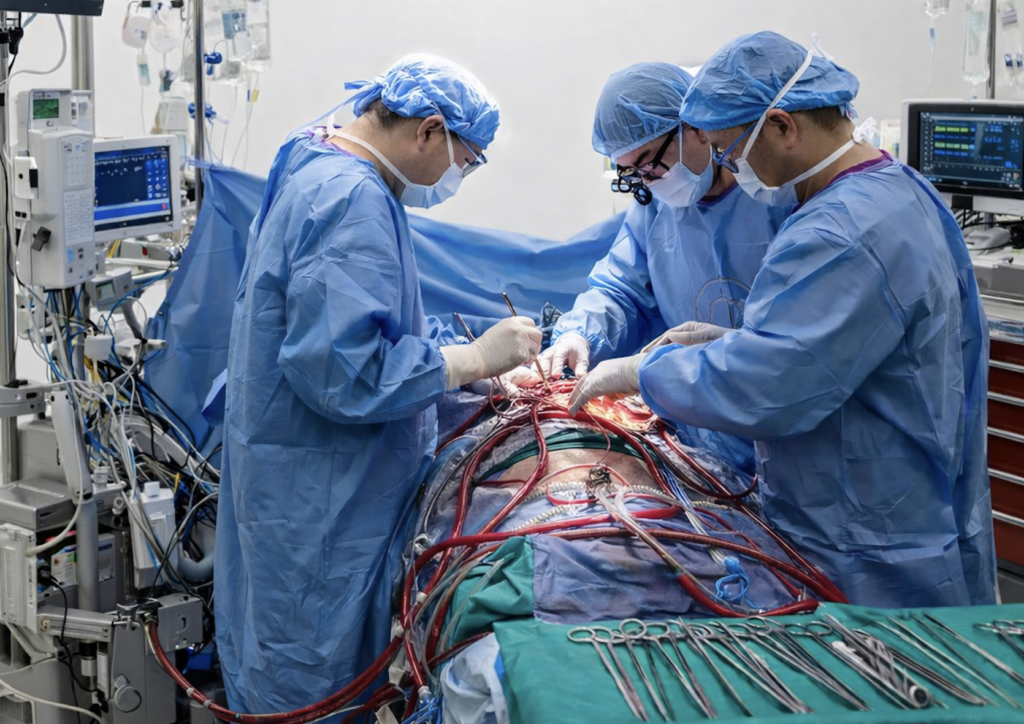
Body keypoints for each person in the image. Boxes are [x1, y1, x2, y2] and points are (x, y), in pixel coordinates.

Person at [569, 32, 995, 608]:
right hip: (858, 502)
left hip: (869, 532)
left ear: (782, 127)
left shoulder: (837, 229)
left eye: (727, 148)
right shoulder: (891, 193)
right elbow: (814, 346)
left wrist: (647, 372)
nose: (726, 163)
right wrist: (729, 341)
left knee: (876, 682)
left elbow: (771, 381)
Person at [214, 54, 542, 716]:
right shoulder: (351, 198)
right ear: (427, 131)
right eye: (466, 161)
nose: (461, 177)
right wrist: (467, 362)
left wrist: (466, 375)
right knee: (314, 685)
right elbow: (342, 372)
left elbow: (345, 333)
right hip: (321, 506)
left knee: (296, 670)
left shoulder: (318, 163)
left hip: (305, 486)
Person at [536, 62, 787, 473]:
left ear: (696, 127)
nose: (647, 180)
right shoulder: (656, 205)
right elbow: (621, 290)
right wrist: (580, 333)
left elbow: (797, 350)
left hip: (782, 435)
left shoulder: (775, 193)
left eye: (650, 161)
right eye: (631, 171)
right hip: (695, 432)